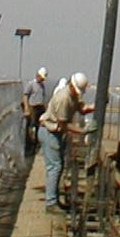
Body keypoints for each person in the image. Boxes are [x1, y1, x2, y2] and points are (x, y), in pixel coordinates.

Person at [38, 71, 88, 213]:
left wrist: (98, 105)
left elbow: (82, 109)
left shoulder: (73, 96)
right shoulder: (63, 98)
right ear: (72, 86)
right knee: (55, 167)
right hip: (50, 132)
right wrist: (82, 131)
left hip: (55, 133)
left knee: (57, 166)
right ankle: (51, 203)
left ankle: (53, 199)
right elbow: (64, 125)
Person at [21, 66, 48, 153]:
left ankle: (36, 146)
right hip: (33, 107)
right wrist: (26, 108)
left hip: (40, 108)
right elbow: (25, 96)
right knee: (31, 127)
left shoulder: (42, 85)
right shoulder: (31, 84)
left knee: (39, 127)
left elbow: (42, 97)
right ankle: (29, 146)